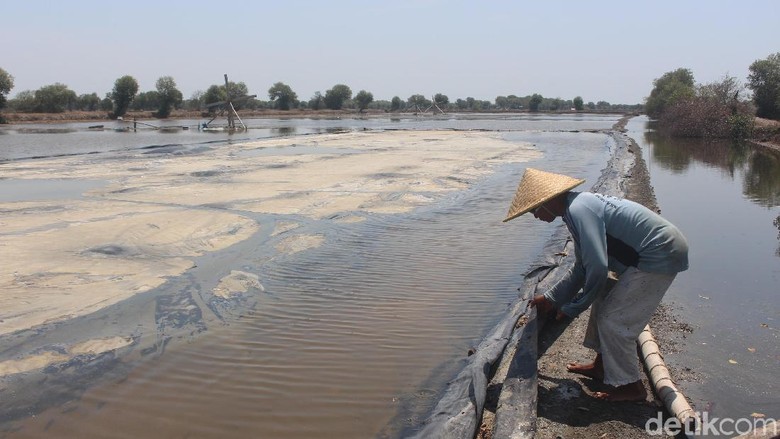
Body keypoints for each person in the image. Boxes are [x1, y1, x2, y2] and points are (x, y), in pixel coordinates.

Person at [503, 168, 689, 401]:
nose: (534, 216)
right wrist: (550, 298)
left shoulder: (579, 210)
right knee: (604, 297)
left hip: (660, 253)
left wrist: (572, 308)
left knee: (614, 320)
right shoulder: (574, 210)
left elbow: (598, 268)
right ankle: (603, 366)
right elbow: (582, 267)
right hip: (654, 252)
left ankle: (631, 386)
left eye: (533, 209)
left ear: (548, 201)